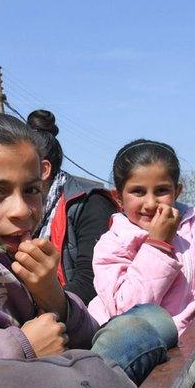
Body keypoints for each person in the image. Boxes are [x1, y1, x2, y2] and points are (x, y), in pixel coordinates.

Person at [0, 113, 176, 384]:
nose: (21, 210)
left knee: (151, 318)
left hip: (51, 381)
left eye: (31, 190)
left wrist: (51, 294)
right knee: (142, 331)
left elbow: (86, 336)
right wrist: (23, 347)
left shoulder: (10, 255)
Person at [90, 140, 195, 334]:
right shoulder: (112, 244)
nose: (150, 203)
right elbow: (125, 311)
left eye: (161, 190)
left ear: (177, 192)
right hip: (146, 353)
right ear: (118, 197)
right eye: (138, 191)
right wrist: (157, 245)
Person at [27, 109, 117, 304]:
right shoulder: (21, 211)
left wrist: (39, 311)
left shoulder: (90, 202)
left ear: (43, 169)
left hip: (84, 320)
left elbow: (90, 281)